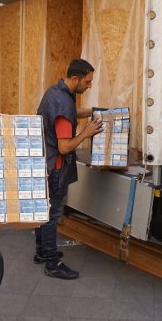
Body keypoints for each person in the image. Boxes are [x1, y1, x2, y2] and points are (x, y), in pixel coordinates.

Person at [35, 58, 103, 279]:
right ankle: (52, 264)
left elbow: (73, 113)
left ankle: (42, 252)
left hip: (44, 163)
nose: (89, 85)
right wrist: (87, 133)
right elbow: (64, 147)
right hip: (55, 167)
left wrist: (95, 111)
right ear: (76, 78)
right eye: (88, 81)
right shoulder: (63, 103)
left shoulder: (57, 92)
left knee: (43, 212)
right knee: (52, 215)